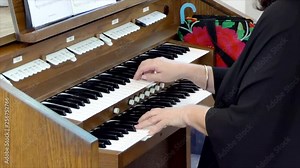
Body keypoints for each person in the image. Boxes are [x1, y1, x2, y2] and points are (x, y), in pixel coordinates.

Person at [133, 0, 300, 167]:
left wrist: (185, 114)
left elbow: (248, 127)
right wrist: (185, 71)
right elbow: (251, 83)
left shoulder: (286, 16)